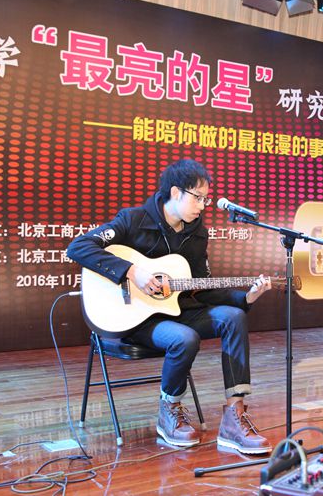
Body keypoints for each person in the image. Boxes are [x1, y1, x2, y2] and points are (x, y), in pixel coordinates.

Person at [67, 158, 273, 454]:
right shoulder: (133, 220)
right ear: (176, 192)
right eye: (198, 197)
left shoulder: (197, 233)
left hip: (177, 311)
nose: (203, 206)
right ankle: (169, 410)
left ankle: (234, 417)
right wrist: (132, 272)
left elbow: (203, 287)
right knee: (184, 338)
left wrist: (246, 297)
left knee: (234, 316)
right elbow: (78, 247)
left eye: (206, 199)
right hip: (135, 318)